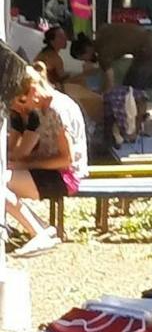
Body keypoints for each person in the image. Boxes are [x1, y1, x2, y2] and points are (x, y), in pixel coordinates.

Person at [7, 62, 86, 257]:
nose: (23, 109)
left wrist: (25, 164)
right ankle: (41, 228)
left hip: (65, 176)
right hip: (51, 172)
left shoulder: (57, 110)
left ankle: (39, 232)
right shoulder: (45, 107)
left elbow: (65, 159)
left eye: (22, 102)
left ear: (33, 90)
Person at [72, 21, 152, 92]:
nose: (85, 61)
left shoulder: (103, 53)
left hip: (148, 48)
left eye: (83, 58)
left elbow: (110, 80)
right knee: (129, 86)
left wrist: (102, 96)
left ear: (87, 50)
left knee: (132, 89)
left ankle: (137, 114)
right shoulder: (102, 30)